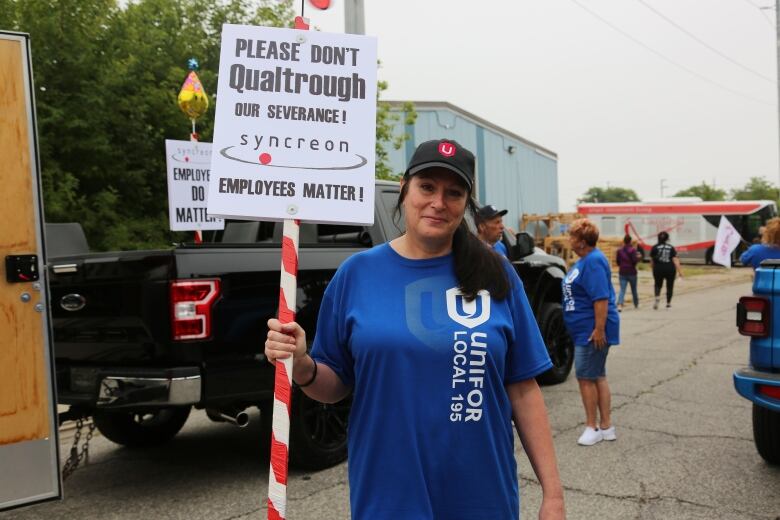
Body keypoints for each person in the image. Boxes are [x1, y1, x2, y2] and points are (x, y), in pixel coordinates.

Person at [265, 139, 565, 519]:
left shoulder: (496, 274)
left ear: (466, 205)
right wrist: (303, 364)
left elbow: (523, 389)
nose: (439, 202)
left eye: (453, 193)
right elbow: (334, 386)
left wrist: (553, 495)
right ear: (405, 189)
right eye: (427, 187)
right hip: (388, 496)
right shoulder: (356, 275)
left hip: (481, 496)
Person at [562, 219, 620, 446]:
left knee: (586, 378)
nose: (569, 240)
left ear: (582, 241)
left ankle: (592, 426)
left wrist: (598, 329)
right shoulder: (585, 261)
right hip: (584, 329)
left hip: (590, 330)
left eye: (572, 236)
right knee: (597, 376)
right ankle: (606, 426)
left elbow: (601, 298)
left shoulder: (593, 261)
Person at [650, 231, 683, 309]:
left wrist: (653, 269)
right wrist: (680, 272)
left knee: (658, 284)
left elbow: (651, 261)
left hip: (658, 268)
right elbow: (675, 260)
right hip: (670, 268)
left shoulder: (654, 247)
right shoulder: (671, 247)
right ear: (667, 238)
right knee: (670, 285)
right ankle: (668, 303)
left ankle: (657, 297)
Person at [615, 234, 641, 312]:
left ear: (624, 241)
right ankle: (636, 304)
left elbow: (618, 261)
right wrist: (638, 258)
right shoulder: (633, 250)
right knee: (634, 289)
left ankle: (620, 304)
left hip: (622, 272)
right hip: (632, 272)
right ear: (630, 241)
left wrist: (622, 265)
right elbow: (634, 261)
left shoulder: (619, 250)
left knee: (622, 289)